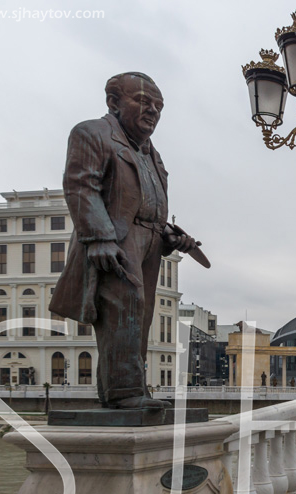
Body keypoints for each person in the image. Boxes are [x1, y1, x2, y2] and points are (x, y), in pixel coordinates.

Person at [49, 72, 200, 410]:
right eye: (143, 102)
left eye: (158, 106)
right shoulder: (92, 133)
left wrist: (168, 234)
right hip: (116, 238)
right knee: (124, 304)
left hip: (148, 239)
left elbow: (150, 200)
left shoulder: (151, 154)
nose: (153, 111)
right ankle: (123, 393)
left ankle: (133, 388)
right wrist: (99, 237)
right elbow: (81, 186)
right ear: (114, 102)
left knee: (141, 315)